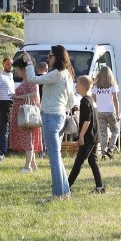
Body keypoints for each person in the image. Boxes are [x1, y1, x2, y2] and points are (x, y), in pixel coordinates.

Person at [22, 46, 76, 200]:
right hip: (60, 116)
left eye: (50, 56)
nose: (48, 58)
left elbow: (33, 79)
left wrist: (29, 63)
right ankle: (65, 193)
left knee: (54, 158)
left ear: (58, 57)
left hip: (51, 117)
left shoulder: (56, 74)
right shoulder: (66, 74)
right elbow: (71, 99)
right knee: (57, 157)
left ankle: (58, 194)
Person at [68, 75, 104, 193]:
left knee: (79, 161)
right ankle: (100, 187)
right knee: (92, 161)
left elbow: (87, 120)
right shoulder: (91, 99)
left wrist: (81, 136)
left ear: (82, 87)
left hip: (88, 137)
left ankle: (67, 185)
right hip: (95, 135)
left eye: (77, 84)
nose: (75, 86)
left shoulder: (84, 101)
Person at [8, 56, 42, 173]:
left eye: (18, 69)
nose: (17, 71)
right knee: (29, 138)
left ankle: (27, 166)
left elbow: (34, 94)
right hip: (24, 113)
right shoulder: (27, 80)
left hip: (27, 114)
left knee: (28, 138)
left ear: (23, 69)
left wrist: (17, 97)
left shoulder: (30, 80)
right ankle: (32, 164)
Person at [92, 66, 120, 159]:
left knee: (103, 133)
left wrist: (94, 113)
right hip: (110, 111)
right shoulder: (113, 86)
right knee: (115, 130)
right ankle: (110, 149)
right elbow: (115, 100)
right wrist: (117, 112)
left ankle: (103, 154)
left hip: (99, 112)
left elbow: (93, 101)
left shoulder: (95, 86)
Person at [0, 57, 15, 158]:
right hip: (3, 103)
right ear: (3, 64)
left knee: (8, 128)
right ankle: (3, 151)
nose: (10, 66)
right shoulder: (0, 76)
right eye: (8, 64)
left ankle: (6, 148)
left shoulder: (11, 75)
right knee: (4, 128)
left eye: (11, 64)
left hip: (10, 102)